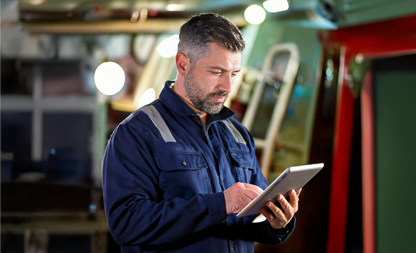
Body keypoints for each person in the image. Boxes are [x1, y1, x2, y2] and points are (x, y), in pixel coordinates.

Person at [102, 13, 300, 253]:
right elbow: (127, 224)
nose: (227, 86)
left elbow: (251, 222)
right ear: (183, 64)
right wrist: (220, 204)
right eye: (217, 72)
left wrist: (277, 223)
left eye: (234, 74)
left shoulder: (237, 134)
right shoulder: (137, 133)